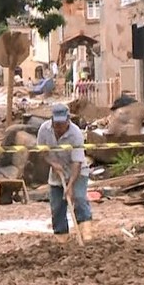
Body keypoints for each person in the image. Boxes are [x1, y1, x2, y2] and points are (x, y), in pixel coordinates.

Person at [36, 103, 93, 242]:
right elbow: (42, 152)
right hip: (57, 171)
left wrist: (70, 185)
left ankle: (86, 232)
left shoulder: (76, 134)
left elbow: (77, 162)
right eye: (56, 123)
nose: (59, 127)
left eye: (62, 123)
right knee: (57, 206)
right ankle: (61, 237)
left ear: (68, 119)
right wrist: (52, 163)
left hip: (77, 170)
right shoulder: (44, 130)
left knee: (79, 198)